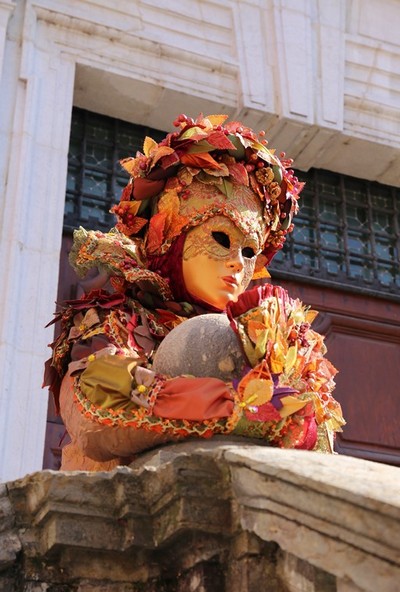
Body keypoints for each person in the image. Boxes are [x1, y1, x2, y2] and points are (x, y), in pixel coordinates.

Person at [44, 113, 344, 471]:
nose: (238, 263)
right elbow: (97, 404)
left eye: (250, 251)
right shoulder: (115, 319)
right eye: (221, 239)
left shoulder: (261, 338)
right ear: (172, 239)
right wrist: (239, 406)